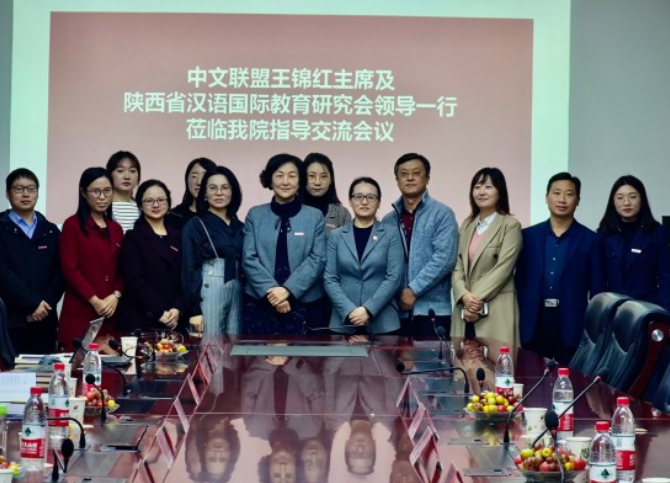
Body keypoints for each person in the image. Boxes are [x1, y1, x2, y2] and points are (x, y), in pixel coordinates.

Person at [516, 172, 604, 364]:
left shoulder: (591, 240)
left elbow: (597, 291)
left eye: (569, 194)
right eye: (556, 193)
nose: (562, 199)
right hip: (534, 322)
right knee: (532, 377)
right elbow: (519, 282)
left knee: (571, 378)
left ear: (578, 200)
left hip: (572, 323)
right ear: (547, 197)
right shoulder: (528, 236)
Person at [243, 154, 326, 335]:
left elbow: (317, 258)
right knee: (258, 353)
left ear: (300, 180)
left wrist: (288, 290)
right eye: (279, 175)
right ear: (270, 180)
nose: (285, 181)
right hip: (261, 301)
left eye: (292, 175)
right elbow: (249, 258)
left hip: (306, 303)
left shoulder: (314, 216)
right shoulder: (255, 215)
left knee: (306, 353)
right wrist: (273, 292)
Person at [382, 153, 458, 338]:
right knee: (394, 357)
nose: (409, 178)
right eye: (404, 174)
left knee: (434, 357)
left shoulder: (442, 214)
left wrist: (414, 289)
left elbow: (445, 258)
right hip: (396, 312)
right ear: (397, 180)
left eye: (416, 173)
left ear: (427, 178)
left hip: (433, 310)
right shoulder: (388, 220)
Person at [451, 168, 522, 345]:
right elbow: (458, 265)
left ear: (500, 192)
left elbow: (503, 269)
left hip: (496, 306)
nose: (481, 192)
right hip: (465, 308)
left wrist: (474, 301)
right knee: (464, 359)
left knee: (497, 360)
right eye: (477, 187)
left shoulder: (510, 225)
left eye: (488, 187)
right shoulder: (467, 225)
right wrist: (463, 296)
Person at [324, 177, 403, 335]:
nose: (364, 202)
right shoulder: (336, 236)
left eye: (371, 197)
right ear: (350, 201)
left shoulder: (391, 234)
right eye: (358, 196)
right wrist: (349, 310)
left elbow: (393, 277)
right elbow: (329, 278)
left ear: (379, 202)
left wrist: (368, 309)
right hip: (343, 320)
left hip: (383, 322)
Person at [0, 168, 64, 354]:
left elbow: (60, 273)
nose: (26, 194)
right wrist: (33, 304)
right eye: (19, 189)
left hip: (45, 321)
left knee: (46, 371)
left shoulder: (50, 231)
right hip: (10, 321)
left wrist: (44, 305)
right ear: (7, 193)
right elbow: (3, 273)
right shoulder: (1, 228)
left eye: (31, 188)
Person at [59, 167, 124, 350]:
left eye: (107, 191)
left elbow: (123, 269)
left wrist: (116, 295)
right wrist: (95, 300)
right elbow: (70, 269)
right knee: (77, 366)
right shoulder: (72, 225)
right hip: (80, 314)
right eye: (96, 191)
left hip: (109, 314)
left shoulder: (116, 229)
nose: (102, 197)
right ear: (83, 193)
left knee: (111, 366)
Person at [182, 166, 245, 338]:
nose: (219, 193)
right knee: (210, 344)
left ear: (232, 192)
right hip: (209, 287)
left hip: (237, 288)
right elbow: (189, 268)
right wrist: (195, 310)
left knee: (235, 344)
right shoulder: (195, 224)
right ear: (205, 193)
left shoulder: (240, 226)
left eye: (224, 188)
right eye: (212, 188)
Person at [118, 180, 186, 334]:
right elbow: (134, 280)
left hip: (174, 318)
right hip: (143, 317)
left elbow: (186, 277)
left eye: (161, 200)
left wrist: (177, 308)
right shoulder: (133, 237)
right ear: (140, 205)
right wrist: (159, 311)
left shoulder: (179, 236)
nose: (156, 205)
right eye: (149, 201)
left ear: (168, 203)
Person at [597, 175, 670, 310]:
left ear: (642, 200)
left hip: (647, 309)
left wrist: (664, 313)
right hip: (612, 310)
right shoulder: (603, 235)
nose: (626, 203)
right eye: (620, 198)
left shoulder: (657, 233)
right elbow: (598, 280)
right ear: (613, 202)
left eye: (632, 197)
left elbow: (666, 277)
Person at [302, 153, 351, 235]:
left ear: (331, 179)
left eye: (323, 176)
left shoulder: (342, 214)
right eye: (312, 176)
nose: (317, 182)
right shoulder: (293, 210)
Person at [166, 157, 217, 229]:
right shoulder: (174, 215)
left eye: (205, 176)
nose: (199, 182)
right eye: (194, 176)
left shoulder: (224, 216)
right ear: (187, 180)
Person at [106, 150, 141, 232]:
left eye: (132, 171)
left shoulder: (143, 208)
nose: (127, 176)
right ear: (109, 174)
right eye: (120, 171)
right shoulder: (102, 207)